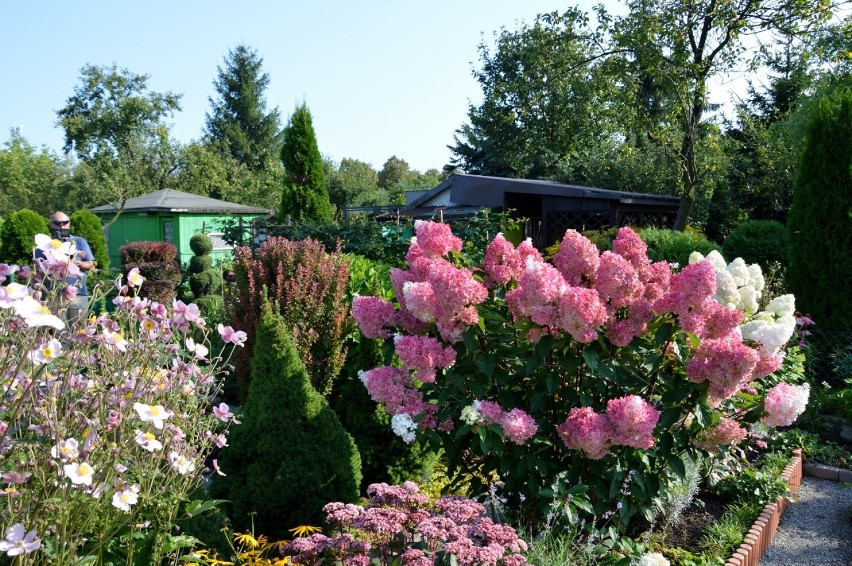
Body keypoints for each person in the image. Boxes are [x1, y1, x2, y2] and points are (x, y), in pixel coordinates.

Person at [45, 211, 96, 326]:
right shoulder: (45, 245)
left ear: (69, 224)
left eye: (65, 223)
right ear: (51, 225)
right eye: (58, 223)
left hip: (78, 295)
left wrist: (75, 263)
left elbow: (91, 265)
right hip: (55, 296)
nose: (62, 226)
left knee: (79, 332)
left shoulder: (79, 242)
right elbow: (40, 270)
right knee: (58, 333)